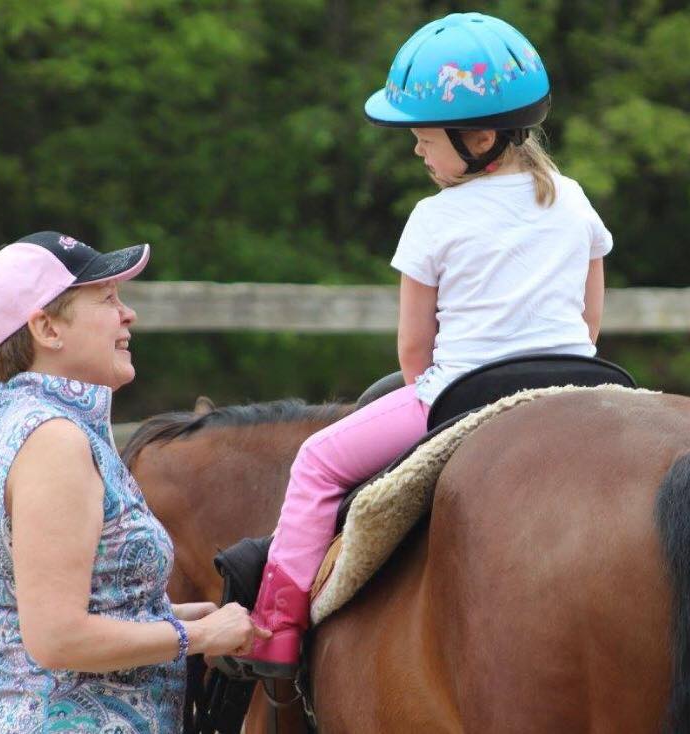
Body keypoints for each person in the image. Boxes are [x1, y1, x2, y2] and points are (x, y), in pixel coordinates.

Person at [231, 12, 612, 679]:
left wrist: (431, 387)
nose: (416, 151)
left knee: (318, 462)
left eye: (424, 138)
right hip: (579, 382)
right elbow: (590, 320)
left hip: (461, 391)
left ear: (481, 137)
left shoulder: (433, 217)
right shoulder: (574, 198)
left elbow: (414, 351)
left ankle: (275, 632)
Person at [0, 231, 270, 733]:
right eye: (106, 299)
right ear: (46, 328)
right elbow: (56, 638)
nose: (128, 314)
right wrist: (199, 636)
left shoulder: (0, 429)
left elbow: (10, 623)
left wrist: (186, 618)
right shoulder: (53, 440)